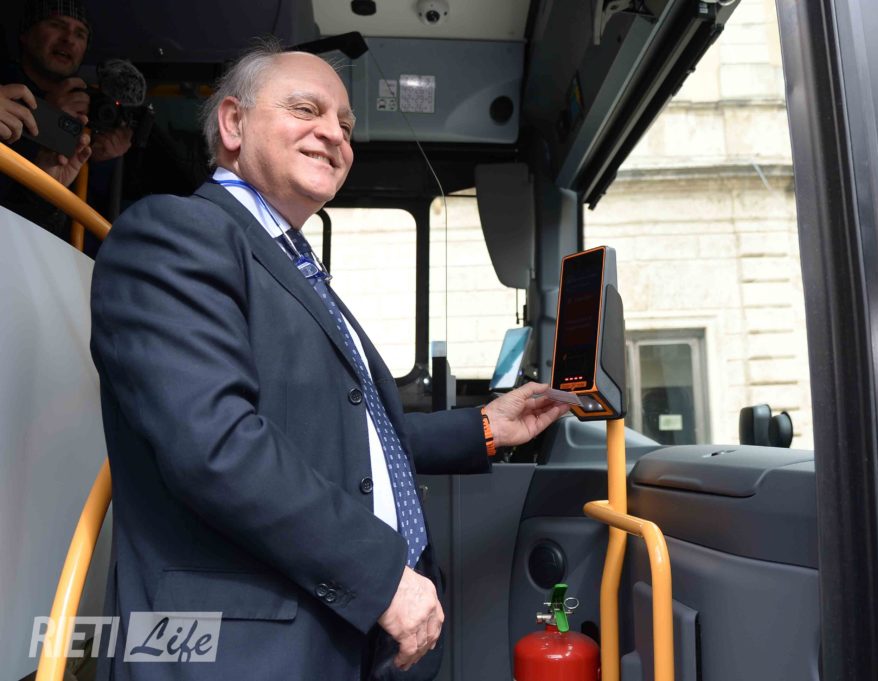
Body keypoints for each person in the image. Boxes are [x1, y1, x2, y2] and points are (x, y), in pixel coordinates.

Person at [89, 42, 569, 680]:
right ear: (233, 123)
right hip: (243, 651)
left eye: (345, 124)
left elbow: (344, 431)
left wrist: (486, 427)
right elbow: (217, 445)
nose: (334, 134)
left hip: (344, 633)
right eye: (305, 109)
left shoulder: (292, 262)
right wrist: (380, 576)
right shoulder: (174, 234)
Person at [0, 0, 131, 246]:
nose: (68, 39)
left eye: (79, 34)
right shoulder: (4, 92)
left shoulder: (90, 110)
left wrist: (104, 161)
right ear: (25, 35)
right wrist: (47, 118)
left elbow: (93, 224)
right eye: (56, 25)